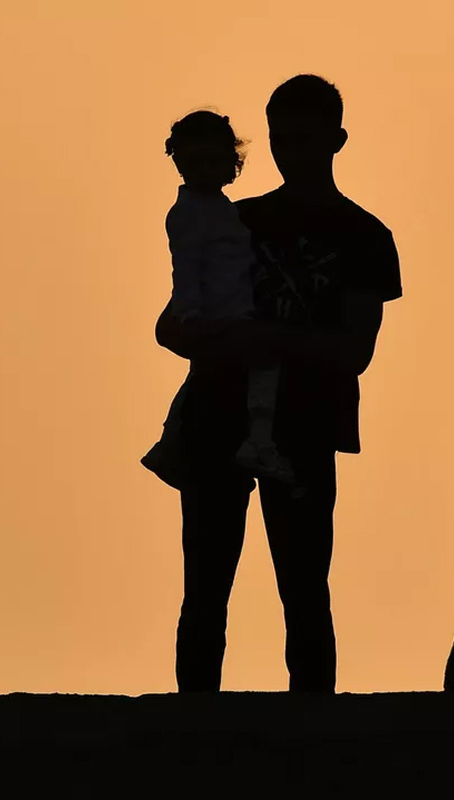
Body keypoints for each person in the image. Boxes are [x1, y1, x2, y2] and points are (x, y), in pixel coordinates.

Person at [146, 75, 402, 694]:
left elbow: (355, 352)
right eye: (281, 139)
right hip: (218, 420)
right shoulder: (234, 220)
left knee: (304, 591)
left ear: (337, 139)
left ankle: (308, 730)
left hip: (305, 428)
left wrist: (264, 341)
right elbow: (171, 325)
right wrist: (224, 339)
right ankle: (194, 728)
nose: (290, 152)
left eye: (303, 138)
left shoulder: (365, 237)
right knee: (206, 590)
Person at [145, 110, 294, 486]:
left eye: (213, 161)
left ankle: (175, 442)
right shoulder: (189, 214)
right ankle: (257, 440)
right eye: (196, 162)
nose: (205, 171)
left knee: (231, 371)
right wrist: (192, 315)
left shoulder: (225, 211)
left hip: (234, 311)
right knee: (261, 360)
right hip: (218, 315)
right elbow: (186, 266)